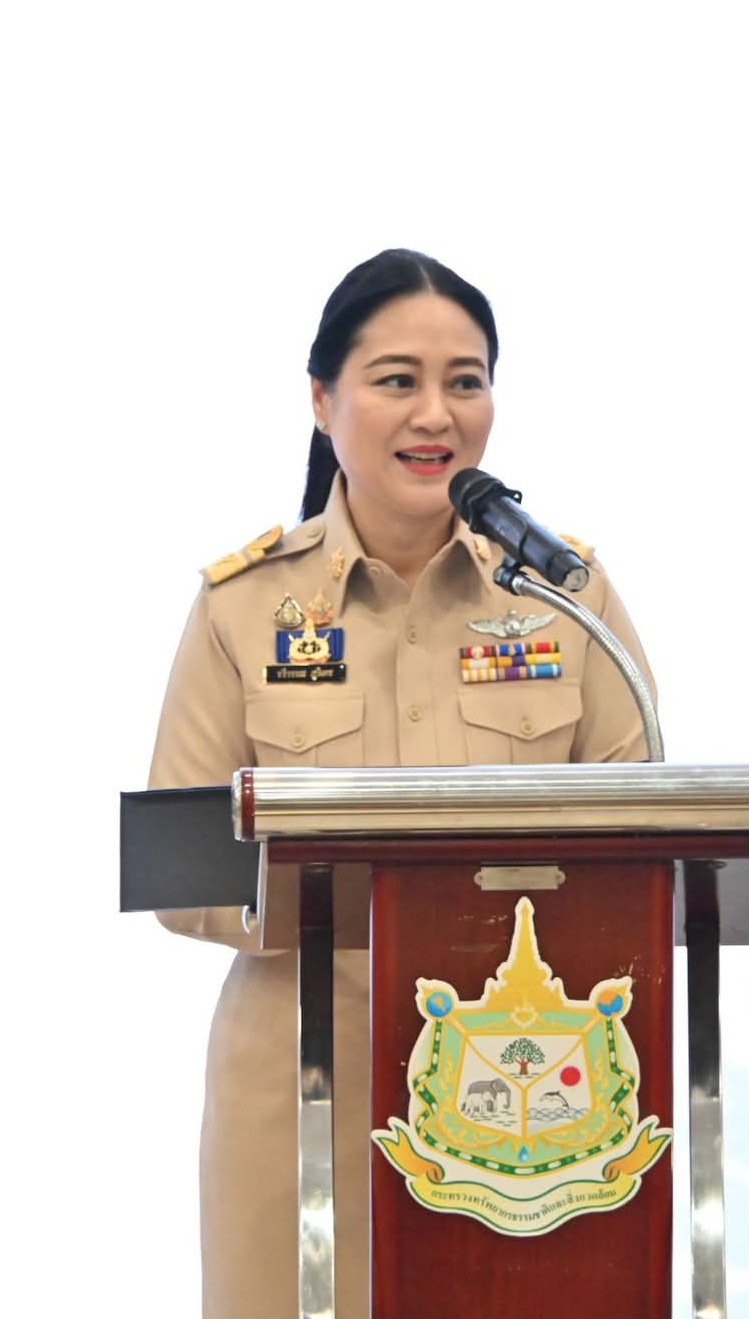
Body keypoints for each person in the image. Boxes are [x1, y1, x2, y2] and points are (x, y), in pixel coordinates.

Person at [148, 249, 656, 1318]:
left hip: (527, 1087)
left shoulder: (565, 596)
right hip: (301, 1079)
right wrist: (361, 897)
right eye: (396, 380)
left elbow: (645, 835)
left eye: (465, 381)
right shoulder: (243, 608)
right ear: (321, 400)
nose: (436, 413)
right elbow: (180, 870)